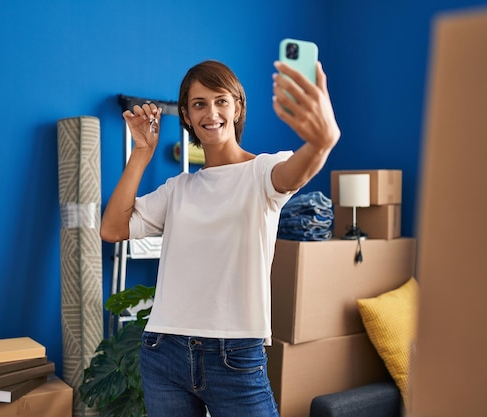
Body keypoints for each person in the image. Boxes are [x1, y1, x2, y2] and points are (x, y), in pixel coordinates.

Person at [100, 59, 340, 417]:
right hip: (164, 349)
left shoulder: (262, 173)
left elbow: (295, 173)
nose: (210, 112)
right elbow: (112, 229)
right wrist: (142, 153)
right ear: (186, 115)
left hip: (236, 356)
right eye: (199, 104)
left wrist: (322, 143)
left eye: (221, 100)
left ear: (237, 106)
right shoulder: (178, 189)